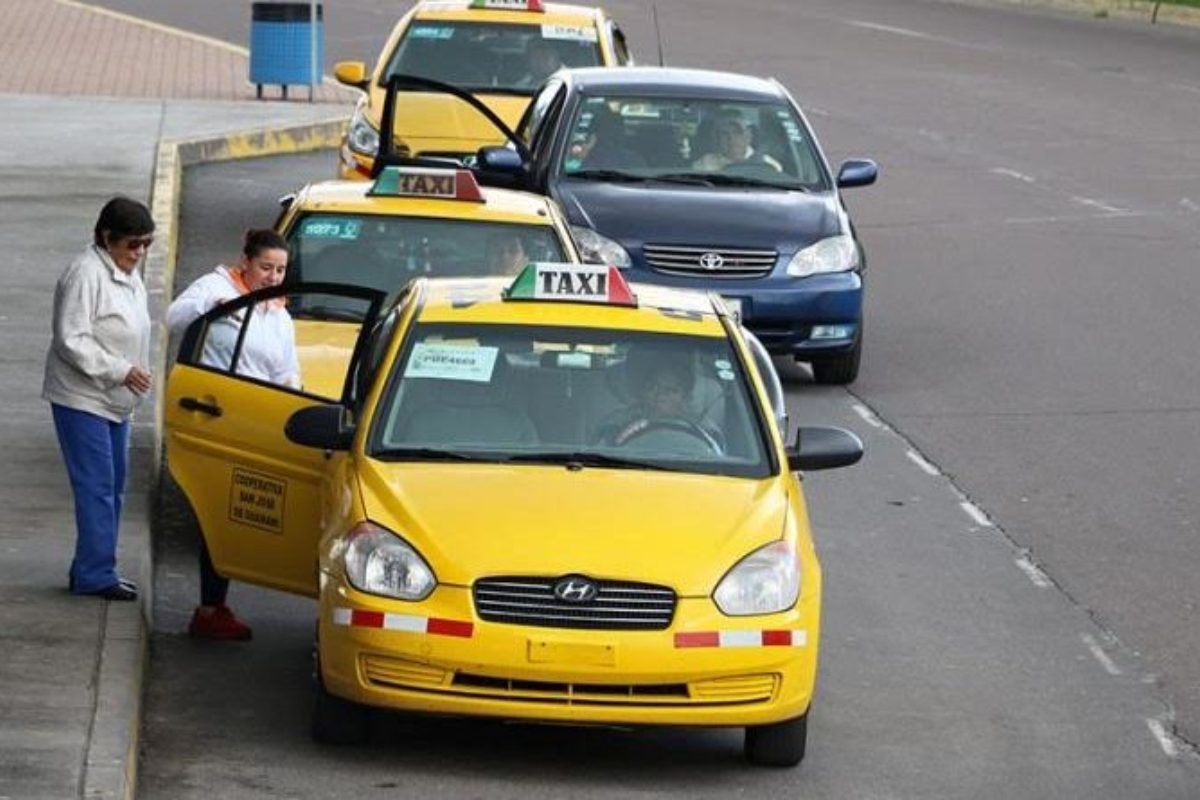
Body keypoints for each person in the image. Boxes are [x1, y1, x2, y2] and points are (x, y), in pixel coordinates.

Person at [166, 229, 298, 640]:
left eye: (280, 270)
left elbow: (286, 373)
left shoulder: (279, 315)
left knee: (249, 514)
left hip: (257, 422)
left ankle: (215, 604)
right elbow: (174, 317)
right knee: (218, 514)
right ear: (245, 261)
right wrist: (212, 307)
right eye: (265, 267)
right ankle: (209, 608)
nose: (272, 277)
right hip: (217, 417)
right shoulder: (217, 287)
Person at [43, 196, 155, 601]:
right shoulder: (85, 274)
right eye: (132, 245)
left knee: (115, 485)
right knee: (97, 486)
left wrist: (133, 375)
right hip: (81, 396)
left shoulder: (128, 274)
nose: (139, 253)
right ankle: (95, 572)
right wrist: (120, 370)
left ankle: (94, 565)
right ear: (107, 238)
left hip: (117, 399)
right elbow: (71, 339)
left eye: (146, 244)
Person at [596, 349, 723, 453]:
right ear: (643, 392)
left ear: (686, 398)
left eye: (670, 390)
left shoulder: (706, 429)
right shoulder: (616, 424)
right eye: (653, 387)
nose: (660, 395)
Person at [692, 110, 782, 172]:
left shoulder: (769, 167)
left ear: (748, 136)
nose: (731, 139)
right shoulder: (702, 167)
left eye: (737, 133)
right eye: (724, 134)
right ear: (717, 139)